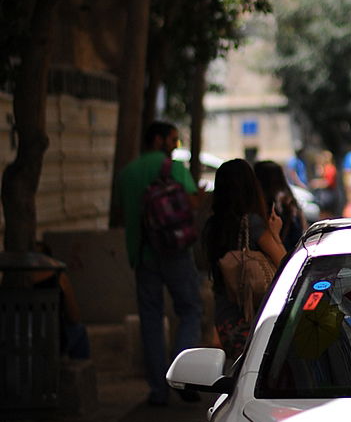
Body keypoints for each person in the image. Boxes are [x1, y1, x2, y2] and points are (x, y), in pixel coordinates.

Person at [117, 120, 205, 407]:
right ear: (158, 140)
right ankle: (181, 373)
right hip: (176, 251)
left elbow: (123, 211)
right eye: (173, 140)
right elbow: (191, 203)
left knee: (151, 320)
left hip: (142, 254)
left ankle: (158, 390)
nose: (175, 146)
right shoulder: (173, 168)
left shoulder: (127, 173)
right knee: (190, 310)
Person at [202, 159, 287, 362]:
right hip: (253, 317)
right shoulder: (253, 224)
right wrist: (275, 233)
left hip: (225, 317)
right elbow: (284, 262)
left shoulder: (212, 226)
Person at [253, 159, 306, 256]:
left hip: (273, 260)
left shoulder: (257, 208)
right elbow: (297, 236)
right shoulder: (289, 202)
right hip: (291, 257)